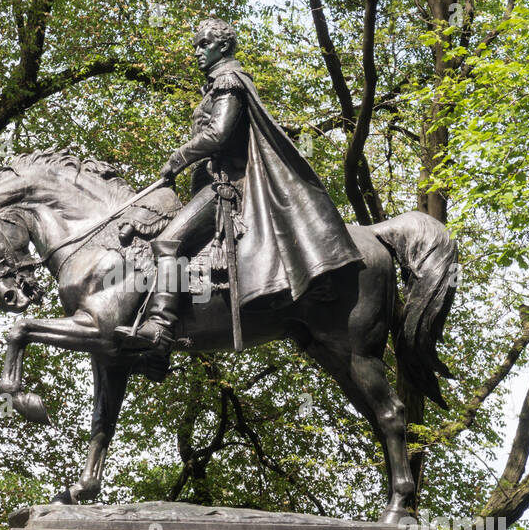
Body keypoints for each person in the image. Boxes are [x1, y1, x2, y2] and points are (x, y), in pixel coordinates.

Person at [115, 17, 362, 355]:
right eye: (197, 46)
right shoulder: (218, 83)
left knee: (168, 242)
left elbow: (218, 134)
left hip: (226, 188)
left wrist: (176, 159)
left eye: (205, 44)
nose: (198, 52)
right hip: (213, 185)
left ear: (224, 46)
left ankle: (160, 326)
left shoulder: (229, 80)